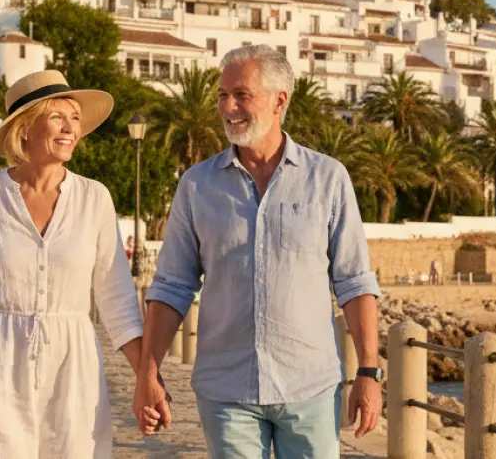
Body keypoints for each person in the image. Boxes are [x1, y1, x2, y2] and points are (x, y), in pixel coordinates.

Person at [133, 45, 383, 457]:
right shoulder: (196, 186)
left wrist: (369, 374)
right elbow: (172, 286)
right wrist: (148, 372)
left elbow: (355, 283)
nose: (228, 106)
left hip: (310, 389)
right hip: (226, 390)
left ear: (280, 99)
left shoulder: (328, 179)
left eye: (241, 94)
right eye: (221, 95)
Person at [0, 70, 158, 458]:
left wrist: (148, 378)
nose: (71, 128)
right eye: (58, 116)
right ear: (25, 128)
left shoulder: (95, 198)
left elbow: (118, 304)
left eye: (75, 118)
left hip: (72, 370)